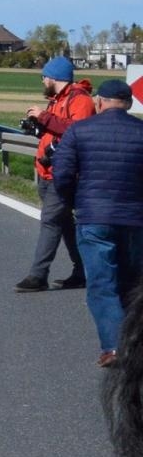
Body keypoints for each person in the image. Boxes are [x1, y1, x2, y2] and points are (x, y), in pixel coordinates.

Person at [53, 79, 143, 367]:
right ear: (128, 104)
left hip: (94, 217)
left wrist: (75, 202)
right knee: (131, 285)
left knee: (102, 284)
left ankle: (115, 348)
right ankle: (132, 343)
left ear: (100, 102)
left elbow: (62, 176)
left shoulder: (79, 131)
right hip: (135, 220)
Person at [14, 56, 94, 293]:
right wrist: (39, 127)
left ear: (53, 78)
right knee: (65, 224)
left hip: (64, 174)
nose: (42, 81)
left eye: (44, 77)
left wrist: (45, 117)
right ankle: (81, 272)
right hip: (48, 171)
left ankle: (38, 276)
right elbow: (57, 130)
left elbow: (78, 131)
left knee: (50, 221)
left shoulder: (80, 100)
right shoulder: (57, 100)